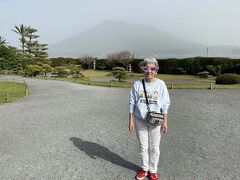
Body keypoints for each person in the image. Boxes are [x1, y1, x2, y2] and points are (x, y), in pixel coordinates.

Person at [129, 57, 170, 180]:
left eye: (153, 68)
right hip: (139, 119)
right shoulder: (137, 84)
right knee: (143, 146)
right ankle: (145, 168)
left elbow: (165, 104)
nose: (149, 71)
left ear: (157, 70)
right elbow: (132, 103)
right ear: (142, 69)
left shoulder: (161, 84)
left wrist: (165, 121)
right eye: (146, 68)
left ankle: (153, 170)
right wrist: (130, 120)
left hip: (155, 120)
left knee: (155, 147)